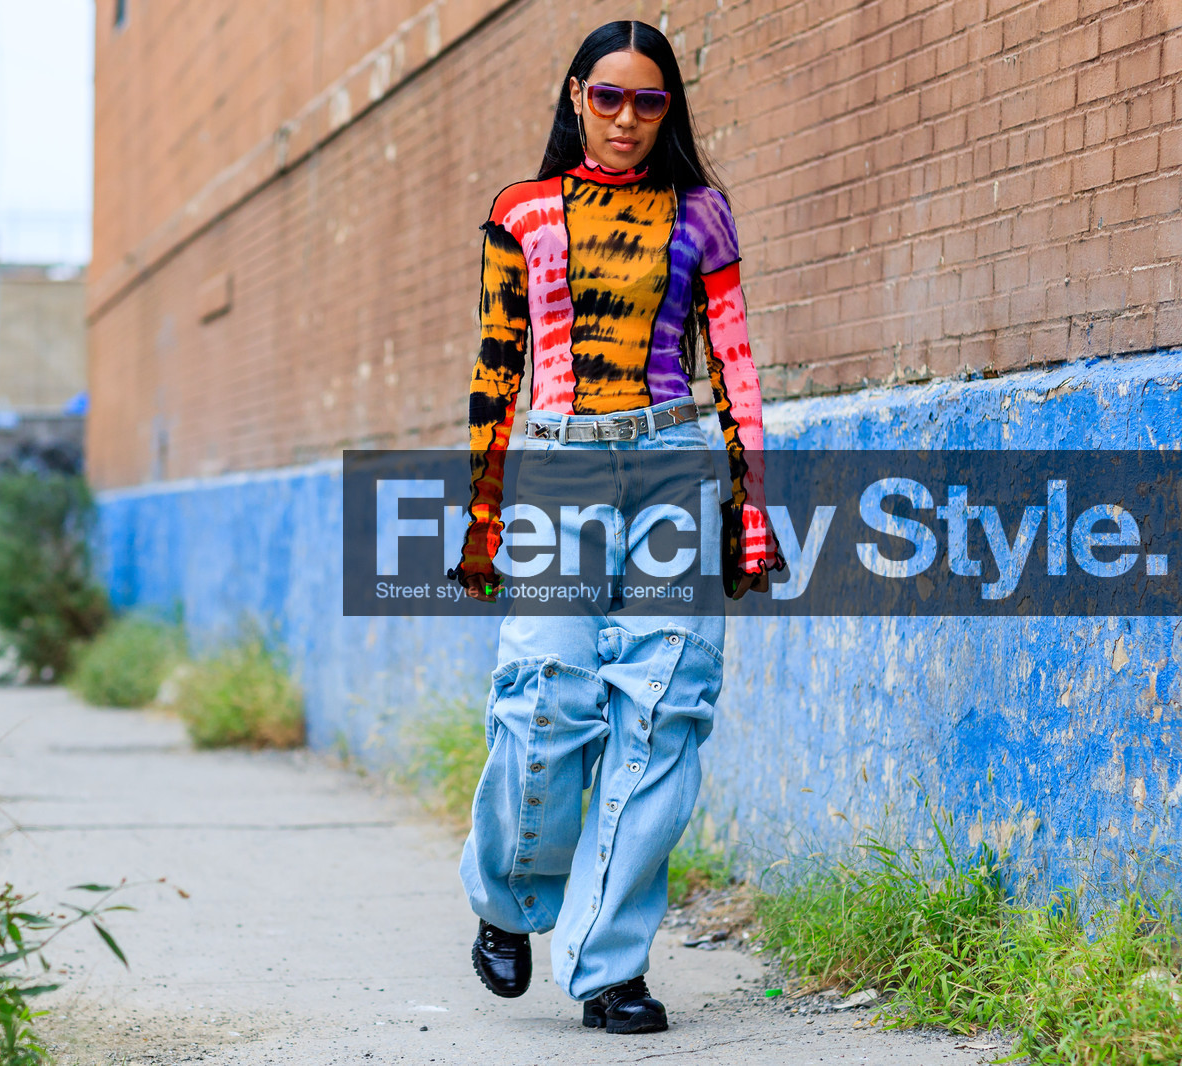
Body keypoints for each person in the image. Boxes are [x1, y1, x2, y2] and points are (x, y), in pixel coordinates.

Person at [448, 20, 783, 1035]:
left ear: (668, 111)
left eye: (648, 102)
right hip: (555, 464)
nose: (627, 118)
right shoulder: (524, 214)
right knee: (545, 696)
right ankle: (509, 898)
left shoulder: (701, 216)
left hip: (674, 464)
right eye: (608, 98)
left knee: (664, 709)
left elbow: (732, 360)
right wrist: (480, 512)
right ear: (574, 96)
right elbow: (496, 369)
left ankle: (608, 964)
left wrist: (749, 503)